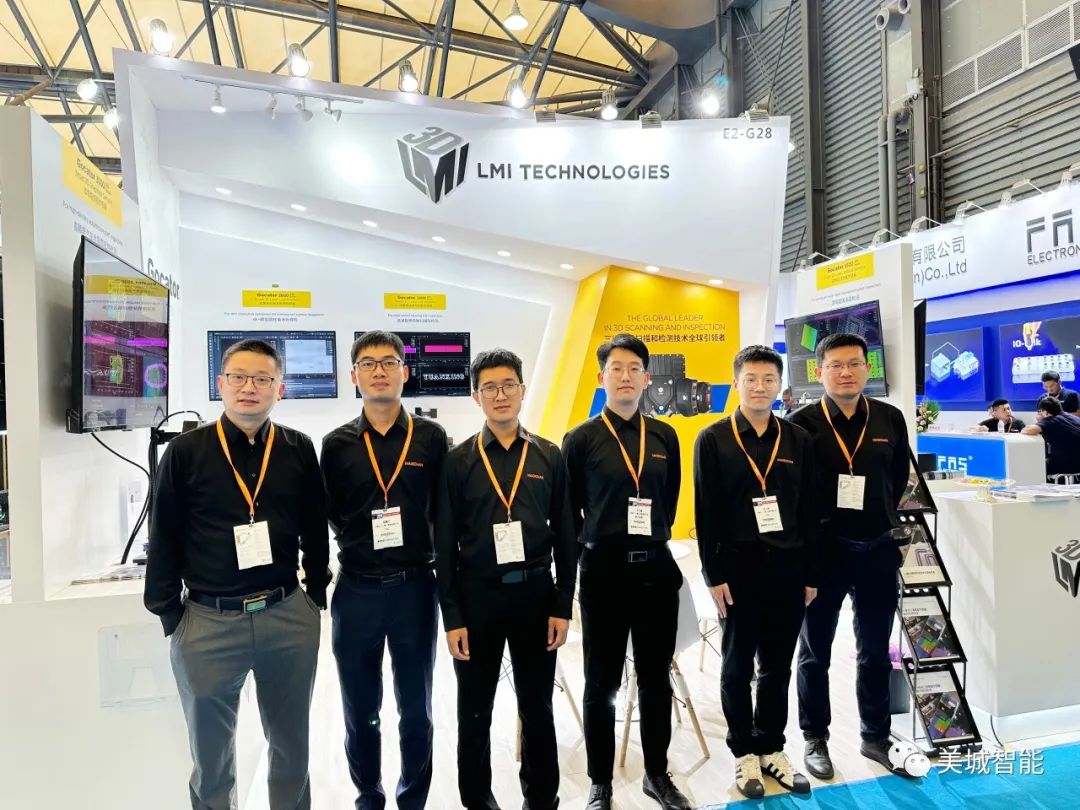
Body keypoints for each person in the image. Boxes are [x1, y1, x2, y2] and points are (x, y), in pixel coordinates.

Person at [144, 338, 330, 810]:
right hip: (208, 622)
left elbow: (315, 526)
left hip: (286, 616)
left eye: (263, 378)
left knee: (291, 748)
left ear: (279, 388)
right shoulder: (185, 452)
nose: (250, 387)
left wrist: (314, 596)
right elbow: (163, 534)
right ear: (220, 384)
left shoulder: (297, 448)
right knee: (211, 759)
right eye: (239, 377)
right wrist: (170, 615)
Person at [435, 348, 577, 810]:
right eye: (490, 387)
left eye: (508, 385)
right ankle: (478, 801)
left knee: (538, 708)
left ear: (522, 390)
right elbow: (444, 546)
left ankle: (542, 799)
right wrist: (452, 616)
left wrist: (562, 604)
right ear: (476, 396)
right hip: (478, 597)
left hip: (536, 596)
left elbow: (567, 537)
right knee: (475, 711)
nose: (500, 395)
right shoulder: (458, 462)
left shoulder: (549, 455)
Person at [562, 333, 691, 810]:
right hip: (604, 573)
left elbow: (669, 502)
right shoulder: (580, 439)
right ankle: (601, 781)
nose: (625, 376)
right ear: (602, 377)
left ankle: (657, 774)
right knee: (601, 683)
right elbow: (570, 512)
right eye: (616, 368)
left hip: (655, 570)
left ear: (647, 378)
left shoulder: (664, 436)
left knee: (656, 679)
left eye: (635, 368)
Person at [321, 331, 448, 810]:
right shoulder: (336, 445)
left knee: (416, 709)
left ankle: (412, 799)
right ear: (354, 376)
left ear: (404, 372)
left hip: (415, 589)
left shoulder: (431, 438)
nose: (379, 371)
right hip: (356, 591)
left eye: (389, 362)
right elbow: (329, 512)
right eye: (368, 363)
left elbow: (445, 511)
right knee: (360, 710)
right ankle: (368, 796)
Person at [788, 333, 913, 779]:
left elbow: (897, 479)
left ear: (868, 368)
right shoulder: (800, 425)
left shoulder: (890, 418)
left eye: (855, 364)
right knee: (814, 651)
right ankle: (815, 737)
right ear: (819, 371)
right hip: (823, 555)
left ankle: (875, 735)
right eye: (836, 365)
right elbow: (792, 493)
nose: (846, 372)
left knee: (875, 650)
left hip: (877, 550)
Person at [695, 345, 818, 799]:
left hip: (788, 570)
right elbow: (705, 511)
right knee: (736, 667)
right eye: (751, 378)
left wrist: (810, 574)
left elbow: (809, 510)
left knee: (777, 667)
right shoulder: (713, 438)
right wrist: (713, 575)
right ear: (736, 383)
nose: (760, 386)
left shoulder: (797, 439)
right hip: (737, 572)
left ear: (780, 385)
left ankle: (771, 748)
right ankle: (743, 752)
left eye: (768, 379)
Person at [1021, 396, 1080, 476]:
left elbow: (1027, 430)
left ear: (1045, 412)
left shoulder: (1051, 420)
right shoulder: (1074, 418)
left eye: (1040, 411)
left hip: (1068, 466)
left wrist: (1040, 421)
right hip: (1077, 465)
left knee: (1035, 465)